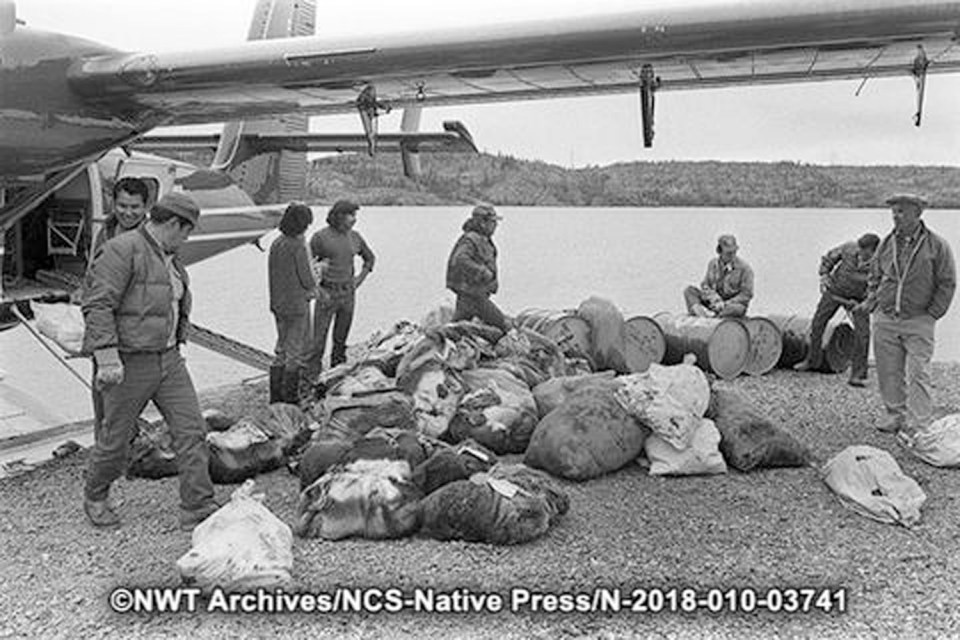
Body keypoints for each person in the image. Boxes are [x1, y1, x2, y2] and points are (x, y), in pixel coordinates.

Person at [80, 192, 218, 531]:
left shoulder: (169, 256)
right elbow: (97, 305)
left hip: (169, 359)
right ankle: (95, 494)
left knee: (192, 431)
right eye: (187, 231)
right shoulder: (121, 249)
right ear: (172, 224)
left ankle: (197, 506)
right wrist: (107, 358)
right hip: (129, 362)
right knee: (115, 438)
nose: (187, 238)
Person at [854, 193, 955, 435]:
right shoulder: (887, 244)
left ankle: (920, 422)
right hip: (886, 318)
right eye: (893, 211)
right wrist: (873, 302)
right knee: (889, 370)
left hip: (919, 319)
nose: (895, 215)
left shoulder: (937, 245)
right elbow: (875, 276)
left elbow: (947, 282)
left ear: (917, 214)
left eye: (901, 211)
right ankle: (894, 414)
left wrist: (933, 313)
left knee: (919, 372)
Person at [794, 233, 880, 387]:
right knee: (818, 323)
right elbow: (828, 259)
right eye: (858, 249)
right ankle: (812, 360)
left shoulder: (881, 262)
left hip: (859, 299)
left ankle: (858, 375)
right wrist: (824, 275)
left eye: (864, 252)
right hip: (835, 292)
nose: (859, 254)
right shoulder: (847, 248)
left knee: (863, 334)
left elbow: (880, 288)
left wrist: (867, 303)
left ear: (873, 251)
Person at [307, 199, 375, 376]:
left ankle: (336, 375)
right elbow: (307, 266)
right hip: (326, 293)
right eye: (350, 215)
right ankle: (311, 378)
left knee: (341, 339)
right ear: (338, 216)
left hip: (348, 294)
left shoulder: (355, 237)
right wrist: (315, 288)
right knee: (317, 342)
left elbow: (370, 258)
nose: (354, 219)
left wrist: (360, 278)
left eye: (355, 215)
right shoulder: (320, 237)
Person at [268, 203, 316, 403]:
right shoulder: (298, 245)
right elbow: (308, 279)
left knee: (281, 349)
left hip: (279, 303)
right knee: (294, 352)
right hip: (297, 304)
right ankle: (290, 398)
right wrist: (318, 271)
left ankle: (275, 397)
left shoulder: (277, 243)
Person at [445, 204, 509, 332]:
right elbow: (460, 259)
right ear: (482, 223)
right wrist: (482, 271)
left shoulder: (483, 239)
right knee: (504, 326)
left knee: (456, 327)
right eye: (492, 222)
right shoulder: (471, 240)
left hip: (471, 296)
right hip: (474, 296)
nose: (495, 225)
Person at [683, 234, 754, 317]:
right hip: (713, 302)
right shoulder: (712, 264)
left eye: (734, 252)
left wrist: (725, 304)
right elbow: (705, 285)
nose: (732, 256)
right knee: (689, 291)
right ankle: (701, 316)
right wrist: (714, 299)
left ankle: (716, 319)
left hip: (731, 306)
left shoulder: (745, 269)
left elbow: (746, 294)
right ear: (720, 251)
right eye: (728, 253)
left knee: (736, 309)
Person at [91, 176, 151, 255]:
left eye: (134, 207)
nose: (128, 213)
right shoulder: (106, 231)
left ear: (145, 207)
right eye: (122, 206)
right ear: (113, 204)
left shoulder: (152, 237)